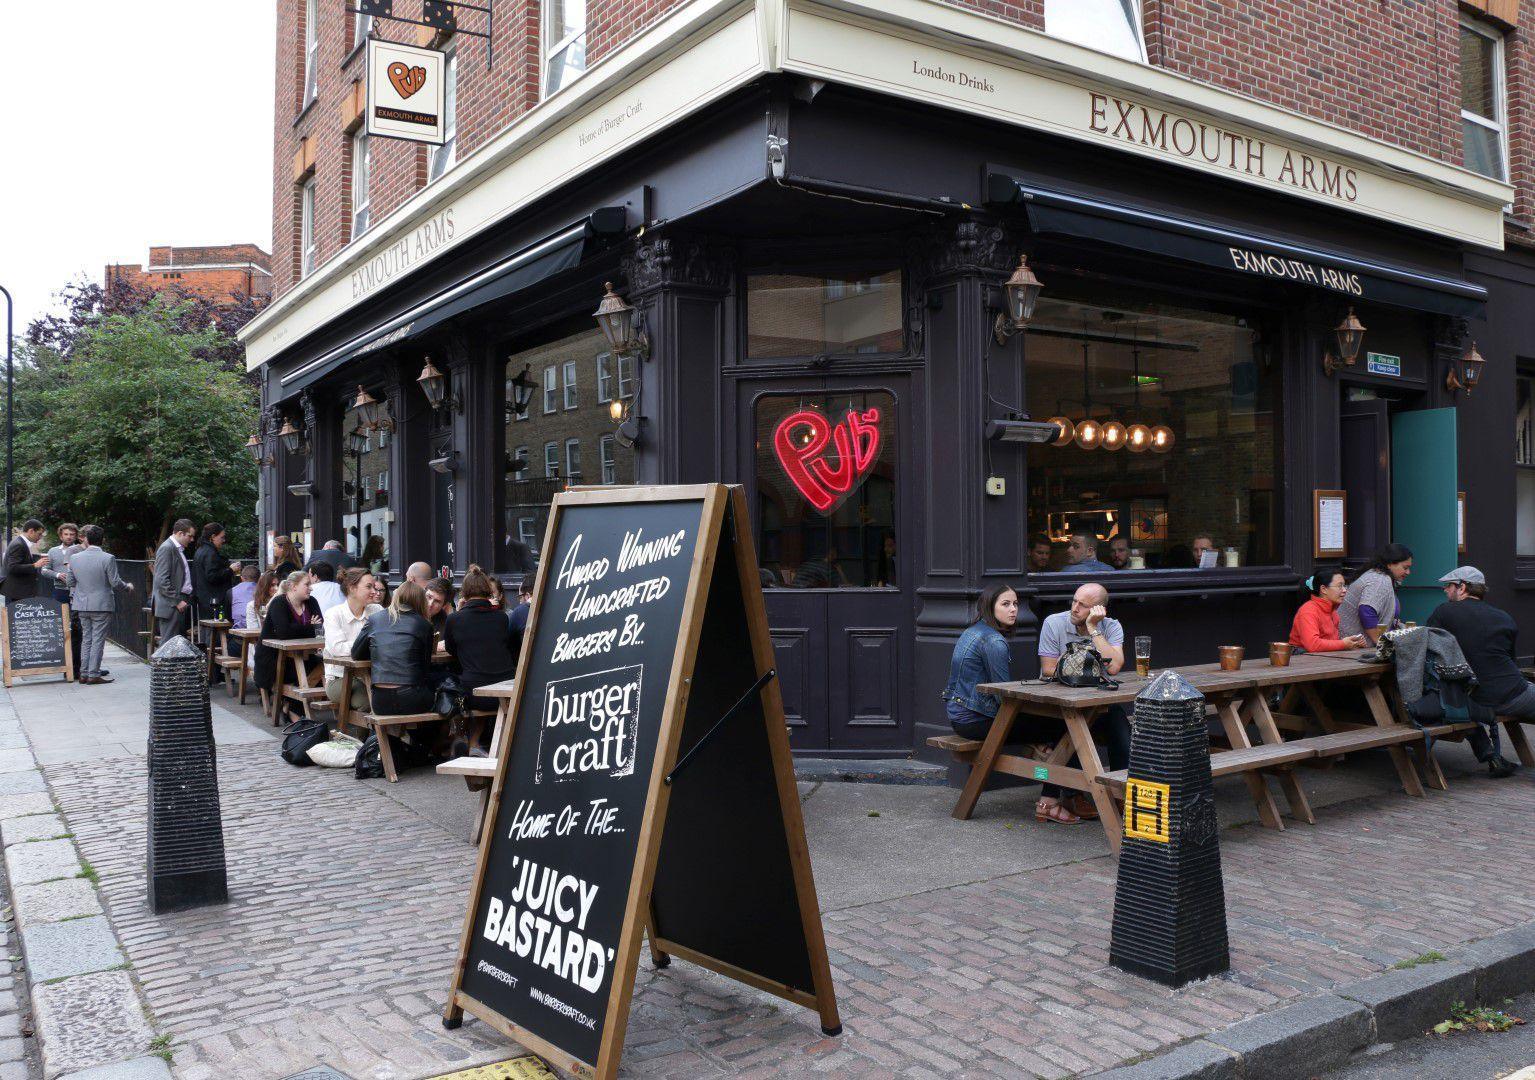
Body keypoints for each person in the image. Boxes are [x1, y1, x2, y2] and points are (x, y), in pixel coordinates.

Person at [941, 584, 1076, 825]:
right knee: (1063, 728)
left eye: (1015, 604)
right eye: (1005, 604)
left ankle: (1056, 775)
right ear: (989, 608)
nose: (1013, 610)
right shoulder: (994, 642)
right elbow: (1004, 697)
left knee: (1047, 734)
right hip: (976, 719)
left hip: (960, 714)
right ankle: (1051, 802)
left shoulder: (972, 631)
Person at [1426, 566, 1531, 776]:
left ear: (1462, 587)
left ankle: (1490, 754)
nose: (1445, 591)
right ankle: (1492, 756)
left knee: (1450, 700)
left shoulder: (1444, 612)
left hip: (1473, 699)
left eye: (1448, 586)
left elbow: (1427, 652)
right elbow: (1511, 661)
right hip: (1514, 693)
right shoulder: (1504, 617)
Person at [1038, 582, 1131, 810]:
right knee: (1075, 724)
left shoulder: (1111, 627)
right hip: (1058, 705)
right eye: (1074, 601)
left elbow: (1114, 667)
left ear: (1098, 610)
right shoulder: (1054, 622)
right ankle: (1070, 793)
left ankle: (1120, 793)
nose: (1075, 608)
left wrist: (1093, 629)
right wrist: (1088, 669)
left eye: (1083, 605)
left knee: (1118, 721)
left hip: (1096, 704)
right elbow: (1049, 668)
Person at [444, 565, 518, 755]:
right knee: (481, 677)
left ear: (464, 593)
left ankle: (460, 738)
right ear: (487, 591)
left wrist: (458, 612)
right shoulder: (501, 618)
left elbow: (452, 650)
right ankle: (475, 744)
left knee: (454, 685)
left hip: (474, 695)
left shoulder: (455, 620)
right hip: (504, 693)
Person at [351, 579, 439, 724]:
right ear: (420, 601)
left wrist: (378, 651)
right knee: (441, 692)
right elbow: (425, 666)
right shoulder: (424, 625)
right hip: (412, 699)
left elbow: (356, 654)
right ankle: (424, 745)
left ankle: (400, 746)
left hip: (380, 702)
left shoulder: (375, 619)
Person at [66, 525, 132, 684]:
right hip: (101, 604)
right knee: (98, 639)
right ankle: (93, 674)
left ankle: (83, 673)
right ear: (102, 540)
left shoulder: (74, 558)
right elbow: (115, 582)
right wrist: (128, 587)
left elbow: (69, 581)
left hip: (81, 604)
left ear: (86, 540)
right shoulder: (107, 558)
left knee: (86, 639)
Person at [253, 571, 323, 720]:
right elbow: (284, 632)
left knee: (322, 666)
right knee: (303, 671)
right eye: (307, 584)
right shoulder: (279, 603)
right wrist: (309, 627)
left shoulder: (312, 602)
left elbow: (319, 628)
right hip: (274, 659)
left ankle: (291, 705)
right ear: (293, 586)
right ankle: (294, 711)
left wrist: (299, 628)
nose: (311, 588)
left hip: (304, 657)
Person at [323, 568, 381, 713]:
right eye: (369, 587)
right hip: (340, 678)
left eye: (374, 586)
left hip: (374, 675)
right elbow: (337, 649)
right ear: (352, 588)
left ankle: (377, 736)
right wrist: (370, 644)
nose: (375, 591)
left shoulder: (377, 610)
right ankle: (364, 736)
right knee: (370, 702)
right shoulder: (334, 614)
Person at [1339, 543, 1413, 644]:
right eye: (1405, 568)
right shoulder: (1380, 580)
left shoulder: (1377, 575)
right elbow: (1366, 610)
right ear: (1390, 564)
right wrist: (1380, 642)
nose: (1408, 572)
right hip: (1354, 647)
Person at [1290, 569, 1369, 653]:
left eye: (1344, 586)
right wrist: (1343, 644)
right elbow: (1312, 645)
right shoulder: (1308, 611)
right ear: (1324, 589)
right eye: (1339, 586)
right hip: (1302, 662)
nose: (1344, 590)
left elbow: (1330, 644)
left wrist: (1354, 643)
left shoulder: (1333, 613)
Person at [152, 519, 197, 641]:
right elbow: (161, 580)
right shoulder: (167, 548)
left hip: (177, 602)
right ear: (180, 533)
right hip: (172, 604)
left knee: (175, 645)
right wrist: (177, 601)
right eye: (190, 536)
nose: (192, 539)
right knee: (168, 644)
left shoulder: (176, 548)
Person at [192, 522, 239, 623]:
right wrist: (230, 570)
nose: (224, 540)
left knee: (206, 631)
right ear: (213, 537)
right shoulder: (210, 553)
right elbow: (212, 576)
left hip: (204, 599)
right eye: (222, 537)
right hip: (213, 601)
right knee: (215, 633)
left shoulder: (200, 550)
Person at [1, 519, 49, 604]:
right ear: (31, 531)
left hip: (20, 591)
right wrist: (35, 565)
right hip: (18, 592)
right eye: (39, 534)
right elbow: (12, 567)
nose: (40, 537)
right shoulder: (19, 545)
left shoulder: (20, 543)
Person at [42, 523, 81, 604]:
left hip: (79, 591)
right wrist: (58, 575)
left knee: (76, 616)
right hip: (60, 591)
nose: (69, 537)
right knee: (60, 616)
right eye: (66, 534)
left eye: (72, 534)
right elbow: (44, 570)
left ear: (76, 536)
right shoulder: (52, 551)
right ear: (61, 536)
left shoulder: (81, 551)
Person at [246, 570, 279, 636]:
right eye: (272, 585)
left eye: (278, 585)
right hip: (259, 642)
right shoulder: (252, 605)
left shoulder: (281, 604)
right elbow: (253, 631)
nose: (277, 588)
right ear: (264, 586)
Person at [230, 564, 259, 630]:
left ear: (241, 578)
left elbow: (228, 614)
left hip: (239, 629)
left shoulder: (231, 591)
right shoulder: (263, 590)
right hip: (260, 629)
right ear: (259, 578)